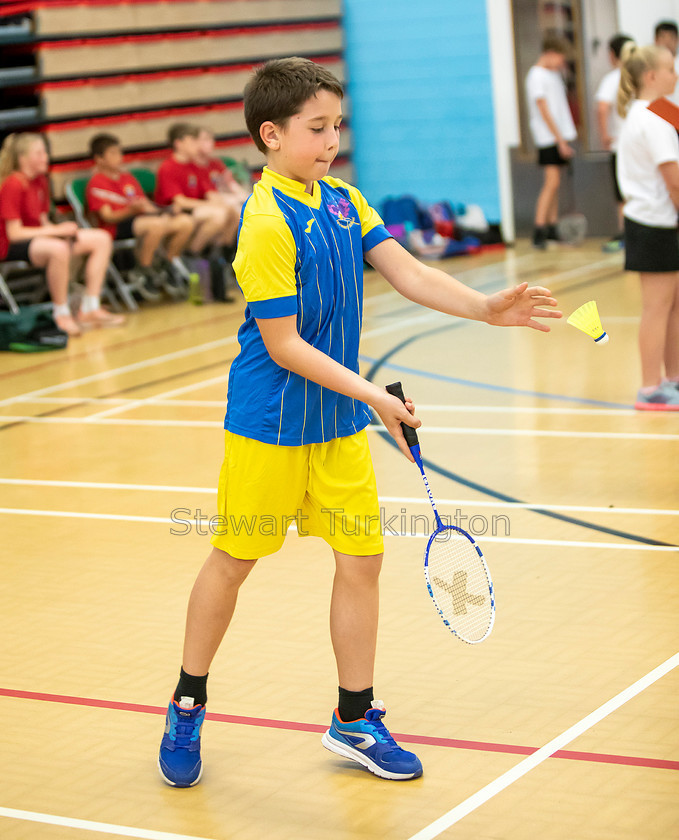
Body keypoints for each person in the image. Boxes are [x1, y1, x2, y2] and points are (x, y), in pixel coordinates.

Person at [157, 57, 562, 788]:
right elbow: (284, 346)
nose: (330, 141)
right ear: (270, 135)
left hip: (336, 427)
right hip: (268, 425)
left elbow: (406, 270)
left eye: (336, 126)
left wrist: (484, 307)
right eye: (315, 129)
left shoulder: (342, 199)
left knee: (362, 563)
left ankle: (353, 717)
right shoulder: (261, 222)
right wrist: (376, 396)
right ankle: (188, 698)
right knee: (233, 563)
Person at [0, 132, 123, 335]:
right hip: (11, 245)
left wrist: (61, 231)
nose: (45, 158)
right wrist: (56, 231)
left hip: (37, 239)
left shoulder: (40, 181)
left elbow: (42, 221)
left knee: (101, 238)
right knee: (59, 249)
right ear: (23, 159)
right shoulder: (13, 184)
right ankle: (61, 312)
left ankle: (90, 307)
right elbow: (14, 233)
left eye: (45, 152)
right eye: (38, 153)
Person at [616, 43, 679, 409]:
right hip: (653, 224)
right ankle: (650, 387)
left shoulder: (650, 114)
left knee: (671, 307)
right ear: (652, 76)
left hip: (659, 222)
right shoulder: (652, 120)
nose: (675, 76)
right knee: (658, 308)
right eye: (671, 69)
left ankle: (671, 378)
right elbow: (673, 182)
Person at [86, 133, 194, 299]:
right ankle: (143, 270)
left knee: (184, 222)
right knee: (155, 225)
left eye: (119, 152)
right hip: (117, 226)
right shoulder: (97, 182)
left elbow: (146, 205)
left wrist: (166, 210)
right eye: (113, 153)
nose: (119, 157)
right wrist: (131, 210)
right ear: (99, 159)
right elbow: (107, 217)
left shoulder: (127, 178)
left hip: (142, 219)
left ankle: (170, 263)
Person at [525, 34, 577, 249]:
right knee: (551, 182)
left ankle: (552, 228)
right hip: (548, 137)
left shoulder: (554, 74)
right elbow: (543, 109)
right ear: (550, 53)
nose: (561, 63)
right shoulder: (536, 75)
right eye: (560, 58)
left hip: (558, 136)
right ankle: (539, 229)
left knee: (556, 185)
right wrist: (559, 139)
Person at [155, 123, 239, 257]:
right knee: (218, 216)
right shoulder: (168, 167)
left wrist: (225, 202)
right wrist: (212, 204)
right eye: (192, 141)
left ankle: (225, 251)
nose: (196, 145)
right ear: (179, 144)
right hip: (175, 213)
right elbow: (180, 202)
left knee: (233, 212)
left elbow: (209, 192)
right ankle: (194, 252)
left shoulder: (194, 166)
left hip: (194, 209)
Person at [595, 33, 634, 252]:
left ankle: (628, 234)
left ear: (613, 54)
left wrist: (604, 135)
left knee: (623, 195)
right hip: (634, 147)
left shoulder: (614, 78)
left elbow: (601, 108)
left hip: (621, 145)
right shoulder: (641, 77)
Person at [654, 20, 679, 105]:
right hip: (658, 114)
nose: (667, 42)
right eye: (663, 37)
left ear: (677, 40)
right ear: (656, 40)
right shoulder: (650, 67)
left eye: (671, 37)